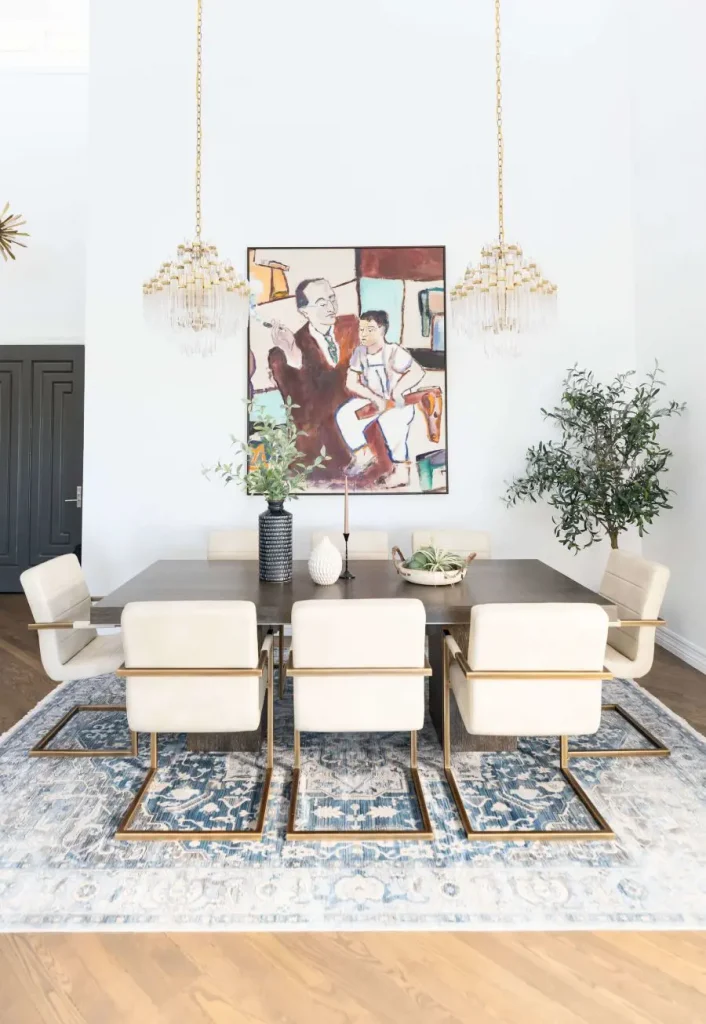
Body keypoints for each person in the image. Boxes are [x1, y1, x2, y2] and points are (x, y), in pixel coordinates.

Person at [267, 278, 358, 473]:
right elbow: (303, 413)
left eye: (332, 298)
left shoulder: (354, 328)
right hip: (323, 449)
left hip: (364, 429)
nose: (331, 306)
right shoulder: (285, 353)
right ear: (304, 311)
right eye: (321, 303)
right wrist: (294, 357)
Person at [336, 310, 425, 488]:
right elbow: (351, 382)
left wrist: (399, 390)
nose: (364, 334)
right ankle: (362, 454)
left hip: (398, 403)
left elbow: (417, 371)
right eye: (361, 330)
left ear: (382, 330)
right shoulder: (360, 353)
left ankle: (401, 472)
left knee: (391, 423)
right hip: (374, 402)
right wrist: (373, 398)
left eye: (370, 330)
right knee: (345, 414)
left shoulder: (394, 351)